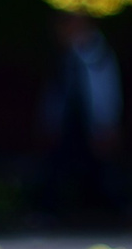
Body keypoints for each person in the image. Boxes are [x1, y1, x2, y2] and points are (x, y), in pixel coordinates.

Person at [34, 13, 123, 219]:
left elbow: (107, 91)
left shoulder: (98, 54)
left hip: (91, 123)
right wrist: (49, 121)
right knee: (57, 169)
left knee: (104, 170)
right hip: (68, 124)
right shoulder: (64, 56)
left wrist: (108, 123)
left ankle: (118, 212)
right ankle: (50, 211)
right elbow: (55, 94)